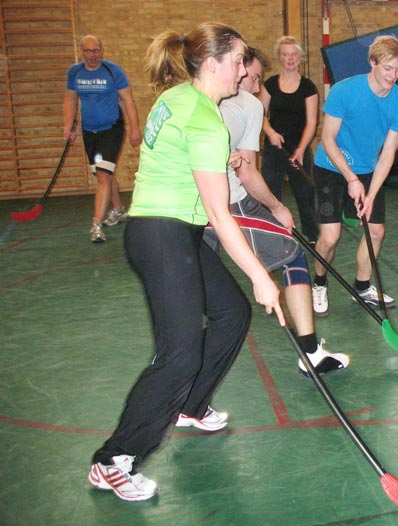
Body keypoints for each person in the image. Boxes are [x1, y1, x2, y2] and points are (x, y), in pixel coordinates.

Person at [87, 23, 285, 502]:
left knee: (230, 313)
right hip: (163, 236)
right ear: (213, 64)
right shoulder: (204, 120)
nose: (244, 69)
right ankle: (113, 460)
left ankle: (192, 405)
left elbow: (191, 182)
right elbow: (219, 211)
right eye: (238, 60)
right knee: (178, 355)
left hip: (175, 230)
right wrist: (261, 275)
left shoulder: (177, 96)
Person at [206, 46, 348, 375]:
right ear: (235, 69)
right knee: (294, 256)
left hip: (196, 203)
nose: (255, 85)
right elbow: (246, 173)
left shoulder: (206, 98)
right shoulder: (247, 105)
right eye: (252, 77)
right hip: (229, 201)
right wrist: (278, 207)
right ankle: (310, 351)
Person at [311, 35, 398, 317]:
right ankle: (319, 282)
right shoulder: (344, 91)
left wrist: (370, 192)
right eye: (387, 68)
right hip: (332, 166)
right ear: (372, 62)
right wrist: (351, 178)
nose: (393, 76)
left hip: (369, 169)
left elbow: (388, 153)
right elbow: (328, 139)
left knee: (376, 231)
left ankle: (362, 287)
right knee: (330, 237)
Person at [64, 35, 141, 243]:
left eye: (96, 50)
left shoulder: (112, 71)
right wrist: (68, 125)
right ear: (82, 52)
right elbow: (70, 99)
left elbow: (127, 100)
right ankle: (117, 208)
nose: (92, 55)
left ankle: (96, 224)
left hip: (112, 129)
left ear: (102, 50)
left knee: (102, 177)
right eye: (88, 51)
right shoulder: (75, 72)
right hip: (89, 131)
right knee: (103, 173)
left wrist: (135, 128)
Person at [257, 36, 320, 244]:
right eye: (285, 54)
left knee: (305, 194)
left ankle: (312, 236)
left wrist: (301, 149)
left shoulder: (308, 87)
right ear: (280, 58)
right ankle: (271, 233)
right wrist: (271, 133)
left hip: (298, 148)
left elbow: (312, 122)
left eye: (293, 54)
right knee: (271, 192)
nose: (290, 58)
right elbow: (260, 114)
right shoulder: (270, 85)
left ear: (299, 57)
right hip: (274, 148)